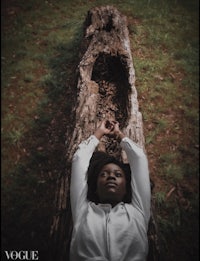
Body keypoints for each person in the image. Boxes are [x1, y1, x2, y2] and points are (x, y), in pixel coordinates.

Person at [70, 119, 151, 261]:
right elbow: (79, 160)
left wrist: (119, 135)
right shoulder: (82, 210)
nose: (111, 177)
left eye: (118, 175)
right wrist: (98, 133)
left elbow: (139, 158)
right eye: (104, 174)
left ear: (127, 188)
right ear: (94, 188)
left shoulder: (138, 212)